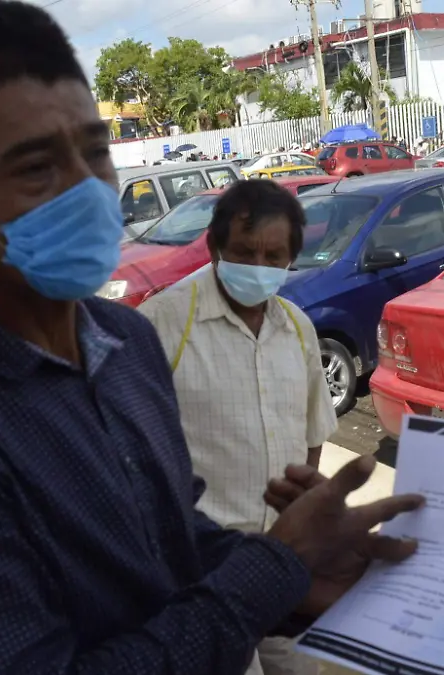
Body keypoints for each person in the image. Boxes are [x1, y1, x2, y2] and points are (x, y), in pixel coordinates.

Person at [0, 5, 423, 675]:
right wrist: (270, 568)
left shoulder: (124, 341)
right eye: (34, 167)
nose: (90, 190)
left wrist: (304, 577)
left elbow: (168, 542)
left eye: (95, 150)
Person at [138, 180, 336, 675]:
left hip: (287, 564)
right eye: (245, 252)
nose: (259, 267)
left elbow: (312, 435)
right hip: (204, 574)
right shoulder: (163, 324)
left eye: (274, 255)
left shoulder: (296, 327)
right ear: (214, 246)